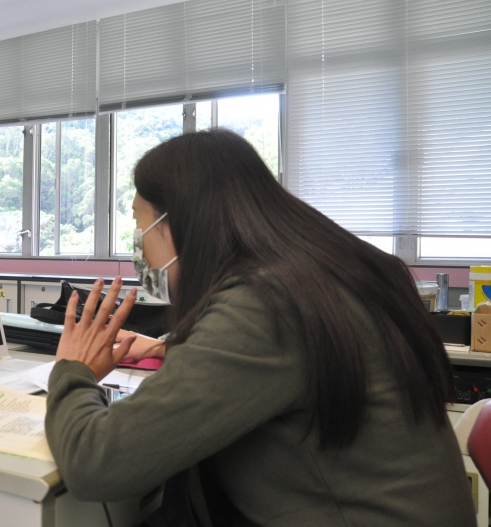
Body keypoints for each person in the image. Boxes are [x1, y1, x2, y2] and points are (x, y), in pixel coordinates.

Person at [44, 129, 475, 526]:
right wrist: (166, 347)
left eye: (141, 230)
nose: (141, 253)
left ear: (179, 223)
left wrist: (72, 369)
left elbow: (94, 463)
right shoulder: (324, 274)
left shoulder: (264, 305)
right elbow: (289, 363)